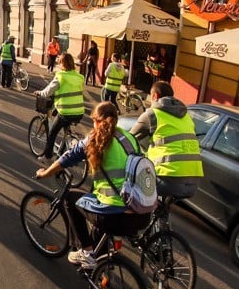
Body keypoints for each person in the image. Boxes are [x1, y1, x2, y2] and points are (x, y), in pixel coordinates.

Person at [35, 102, 151, 267]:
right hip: (140, 213)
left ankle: (87, 252)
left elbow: (66, 158)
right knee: (98, 204)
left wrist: (45, 173)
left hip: (114, 216)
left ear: (96, 121)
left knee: (70, 199)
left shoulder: (94, 139)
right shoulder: (130, 138)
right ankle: (99, 265)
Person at [129, 81, 204, 199]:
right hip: (193, 182)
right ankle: (161, 213)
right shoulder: (187, 116)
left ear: (155, 96)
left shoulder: (152, 114)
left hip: (168, 179)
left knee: (132, 184)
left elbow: (129, 138)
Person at [35, 52, 86, 161]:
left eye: (59, 63)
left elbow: (48, 91)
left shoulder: (61, 76)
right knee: (66, 132)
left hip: (66, 111)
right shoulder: (79, 76)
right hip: (79, 111)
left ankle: (47, 156)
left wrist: (40, 92)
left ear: (62, 64)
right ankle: (63, 154)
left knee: (52, 133)